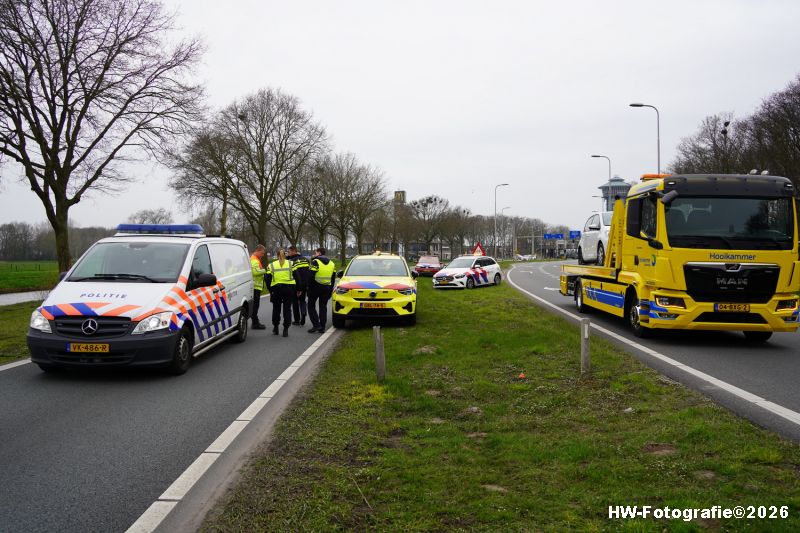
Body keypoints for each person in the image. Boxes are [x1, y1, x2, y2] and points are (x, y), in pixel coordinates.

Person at [264, 248, 298, 337]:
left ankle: (276, 328)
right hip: (289, 288)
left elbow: (267, 279)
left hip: (276, 289)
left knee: (276, 309)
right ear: (285, 255)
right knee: (287, 309)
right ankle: (286, 329)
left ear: (277, 255)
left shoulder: (271, 265)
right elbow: (297, 277)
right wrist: (299, 289)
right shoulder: (291, 264)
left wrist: (270, 290)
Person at [307, 247, 336, 333]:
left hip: (315, 287)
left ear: (319, 253)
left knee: (311, 306)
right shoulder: (332, 263)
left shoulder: (315, 262)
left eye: (315, 252)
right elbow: (333, 278)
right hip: (326, 287)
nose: (315, 254)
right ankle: (322, 327)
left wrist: (309, 288)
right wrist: (330, 289)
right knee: (323, 307)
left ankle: (316, 325)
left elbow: (310, 276)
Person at [287, 245, 310, 326]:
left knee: (295, 302)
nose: (288, 253)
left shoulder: (291, 261)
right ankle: (303, 313)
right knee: (302, 300)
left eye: (289, 252)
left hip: (295, 284)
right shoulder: (305, 259)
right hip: (305, 284)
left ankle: (297, 320)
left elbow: (295, 274)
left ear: (293, 251)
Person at [249, 244, 268, 330]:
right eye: (262, 253)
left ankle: (255, 322)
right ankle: (255, 323)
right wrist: (265, 270)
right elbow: (255, 272)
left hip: (256, 286)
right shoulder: (254, 260)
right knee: (255, 305)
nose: (263, 255)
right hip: (255, 286)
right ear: (258, 250)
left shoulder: (255, 259)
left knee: (255, 305)